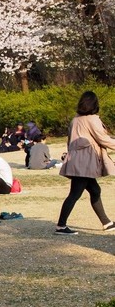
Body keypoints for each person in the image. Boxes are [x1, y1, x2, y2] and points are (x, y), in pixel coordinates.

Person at [55, 91, 115, 235]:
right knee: (75, 193)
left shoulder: (75, 120)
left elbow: (69, 141)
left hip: (77, 160)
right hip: (85, 161)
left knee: (95, 190)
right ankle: (61, 226)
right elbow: (103, 139)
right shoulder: (92, 119)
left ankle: (107, 222)